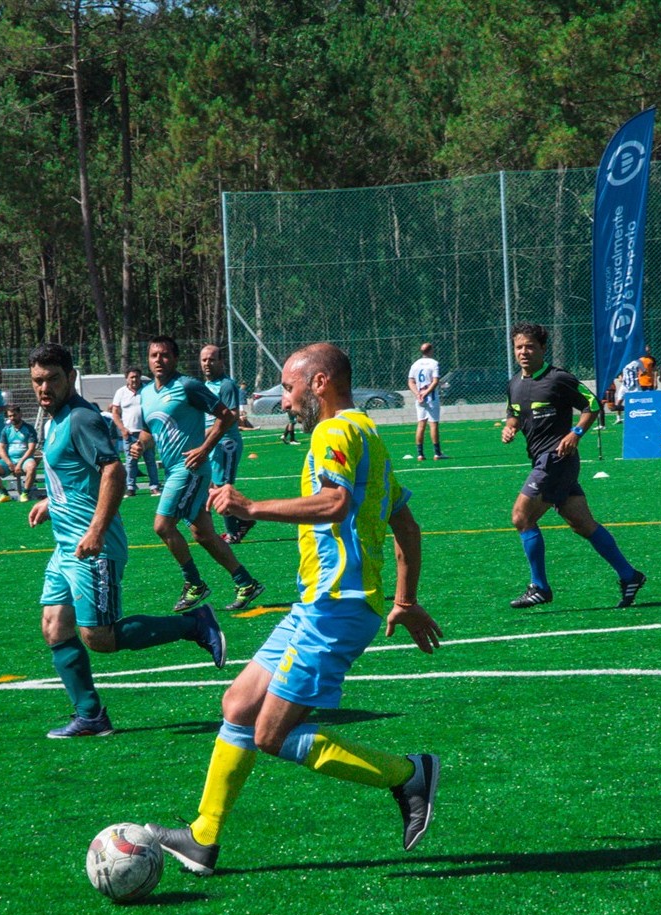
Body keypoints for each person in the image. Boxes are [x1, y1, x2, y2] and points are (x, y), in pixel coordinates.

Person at [144, 342, 443, 875]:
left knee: (271, 735)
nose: (284, 401)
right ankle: (202, 838)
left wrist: (250, 506)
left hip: (337, 605)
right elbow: (406, 523)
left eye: (288, 387)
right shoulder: (368, 434)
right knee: (238, 704)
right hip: (321, 604)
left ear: (320, 382)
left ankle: (407, 774)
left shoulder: (334, 432)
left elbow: (335, 504)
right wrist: (405, 600)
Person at [24, 342, 228, 739]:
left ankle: (195, 623)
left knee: (99, 638)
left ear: (70, 377)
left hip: (91, 547)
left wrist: (96, 531)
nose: (43, 388)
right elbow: (76, 472)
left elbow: (113, 472)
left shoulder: (81, 418)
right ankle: (91, 716)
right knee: (53, 626)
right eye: (37, 381)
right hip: (66, 545)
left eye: (51, 379)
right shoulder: (54, 419)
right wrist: (53, 500)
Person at [501, 322, 646, 609]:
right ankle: (629, 575)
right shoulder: (514, 384)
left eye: (530, 346)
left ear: (543, 348)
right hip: (544, 461)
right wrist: (510, 427)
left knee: (521, 516)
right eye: (519, 347)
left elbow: (592, 405)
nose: (524, 352)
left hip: (556, 459)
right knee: (582, 524)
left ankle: (539, 587)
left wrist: (575, 433)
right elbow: (514, 414)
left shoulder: (559, 379)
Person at [132, 335, 265, 613]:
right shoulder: (145, 393)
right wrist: (140, 444)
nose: (159, 360)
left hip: (189, 469)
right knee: (203, 534)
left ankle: (194, 583)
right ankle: (246, 582)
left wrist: (204, 449)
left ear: (176, 359)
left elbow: (227, 416)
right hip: (172, 471)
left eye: (165, 355)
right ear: (148, 359)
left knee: (162, 526)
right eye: (154, 355)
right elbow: (148, 430)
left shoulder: (188, 386)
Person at [199, 343, 254, 543]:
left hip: (226, 443)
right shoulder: (204, 386)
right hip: (211, 442)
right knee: (213, 487)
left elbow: (231, 416)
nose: (207, 363)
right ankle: (242, 521)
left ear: (221, 362)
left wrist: (206, 433)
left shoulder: (226, 385)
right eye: (204, 359)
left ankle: (234, 532)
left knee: (222, 488)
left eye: (212, 359)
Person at [110, 368, 159, 495]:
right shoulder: (120, 392)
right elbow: (115, 413)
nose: (134, 379)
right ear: (127, 378)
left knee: (150, 460)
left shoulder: (147, 390)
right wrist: (122, 429)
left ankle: (154, 486)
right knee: (131, 461)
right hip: (129, 433)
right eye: (131, 377)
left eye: (136, 376)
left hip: (146, 432)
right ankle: (130, 487)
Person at [0, 404, 40, 501]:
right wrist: (9, 463)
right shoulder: (6, 429)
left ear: (20, 414)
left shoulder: (29, 429)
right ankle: (5, 494)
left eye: (14, 415)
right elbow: (0, 448)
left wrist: (20, 463)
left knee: (32, 466)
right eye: (10, 416)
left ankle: (25, 493)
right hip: (10, 461)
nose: (12, 418)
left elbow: (31, 449)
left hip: (25, 460)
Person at [409, 341, 444, 461]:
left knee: (421, 424)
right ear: (431, 350)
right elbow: (435, 381)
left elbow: (411, 381)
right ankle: (437, 453)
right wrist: (426, 392)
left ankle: (420, 454)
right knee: (433, 424)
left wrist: (417, 394)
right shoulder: (434, 363)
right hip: (431, 397)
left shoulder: (415, 364)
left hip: (420, 398)